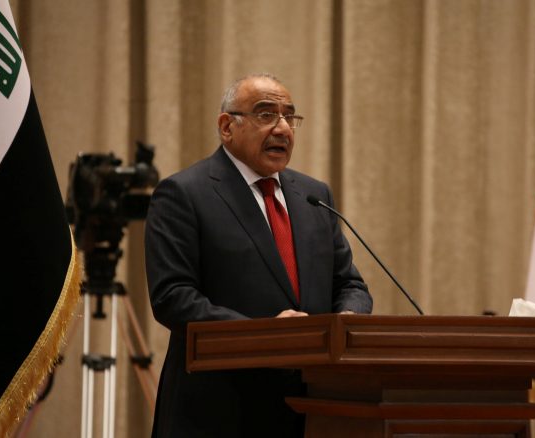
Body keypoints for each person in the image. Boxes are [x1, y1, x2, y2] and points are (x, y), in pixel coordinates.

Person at [145, 73, 373, 437]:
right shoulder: (184, 194)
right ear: (227, 127)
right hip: (220, 411)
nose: (282, 129)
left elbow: (349, 284)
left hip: (310, 410)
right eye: (266, 115)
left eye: (289, 117)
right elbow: (173, 298)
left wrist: (345, 321)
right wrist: (264, 336)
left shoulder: (314, 196)